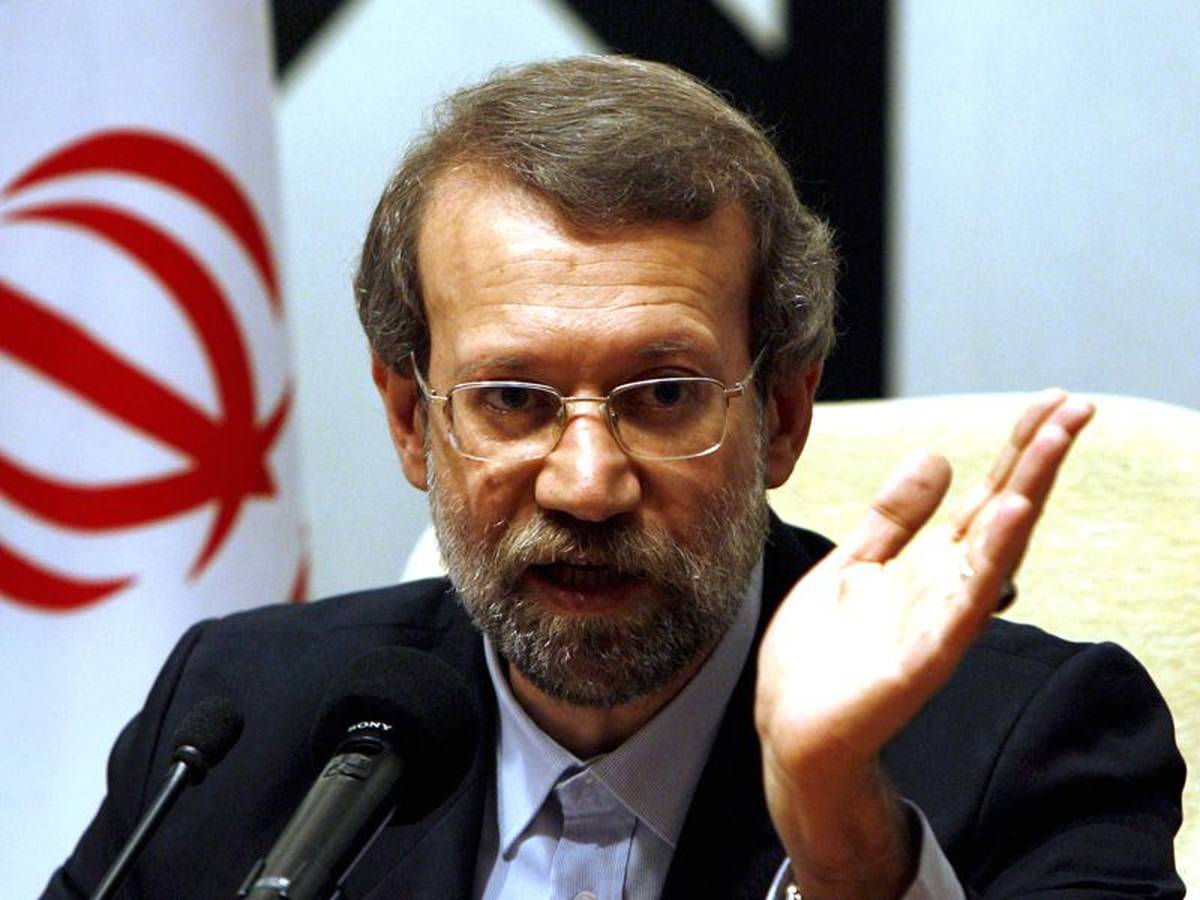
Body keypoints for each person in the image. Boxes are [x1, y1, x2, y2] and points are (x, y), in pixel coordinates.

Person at [43, 56, 1183, 900]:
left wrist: (840, 826)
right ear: (410, 421)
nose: (587, 487)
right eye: (511, 399)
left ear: (781, 414)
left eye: (665, 395)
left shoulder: (1037, 740)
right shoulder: (237, 722)